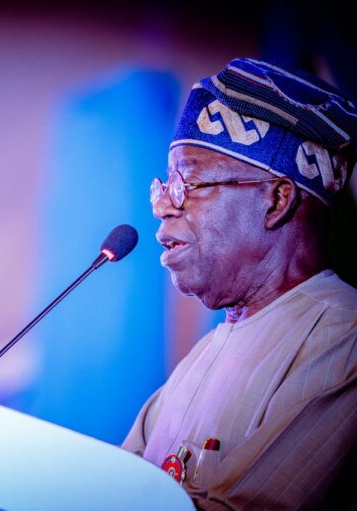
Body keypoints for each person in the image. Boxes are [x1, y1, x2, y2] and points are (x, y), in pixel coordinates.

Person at [121, 57, 357, 510]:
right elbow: (111, 486)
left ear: (277, 201)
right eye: (165, 187)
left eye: (189, 184)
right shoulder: (201, 356)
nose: (164, 207)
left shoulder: (342, 337)